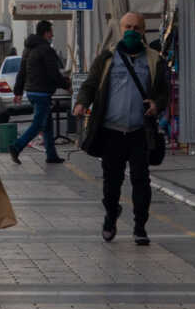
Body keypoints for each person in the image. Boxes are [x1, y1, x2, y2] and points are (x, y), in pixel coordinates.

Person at [76, 13, 171, 246]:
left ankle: (140, 226)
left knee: (141, 181)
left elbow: (164, 92)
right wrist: (81, 103)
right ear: (120, 29)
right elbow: (90, 84)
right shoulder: (107, 58)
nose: (131, 31)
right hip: (111, 131)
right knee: (111, 182)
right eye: (127, 26)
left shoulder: (153, 60)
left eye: (136, 28)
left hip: (140, 131)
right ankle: (111, 214)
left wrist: (156, 104)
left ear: (143, 31)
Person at [10, 20, 66, 166]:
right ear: (46, 33)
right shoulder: (46, 49)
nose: (53, 35)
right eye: (51, 32)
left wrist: (18, 91)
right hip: (42, 92)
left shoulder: (27, 49)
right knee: (38, 124)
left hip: (31, 91)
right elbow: (53, 73)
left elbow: (22, 71)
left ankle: (51, 155)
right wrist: (67, 85)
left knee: (47, 123)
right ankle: (16, 147)